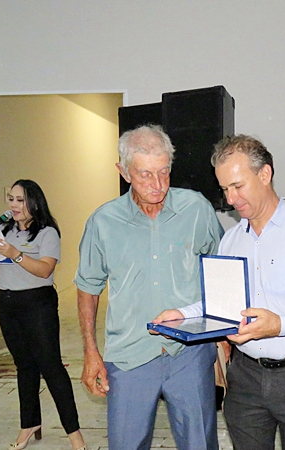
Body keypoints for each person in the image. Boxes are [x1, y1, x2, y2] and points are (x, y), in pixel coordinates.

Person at [153, 135, 285, 450]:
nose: (231, 199)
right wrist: (183, 314)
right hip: (244, 376)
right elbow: (222, 303)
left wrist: (281, 324)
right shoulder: (231, 240)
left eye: (237, 186)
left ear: (265, 174)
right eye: (224, 189)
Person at [74, 125, 223, 450]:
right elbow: (88, 288)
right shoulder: (103, 222)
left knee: (200, 443)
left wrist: (222, 339)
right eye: (145, 174)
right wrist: (90, 352)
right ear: (123, 171)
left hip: (189, 354)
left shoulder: (196, 209)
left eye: (164, 172)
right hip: (129, 357)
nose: (157, 184)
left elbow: (221, 272)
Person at [0, 179, 87, 450]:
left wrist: (14, 254)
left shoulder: (47, 232)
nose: (13, 205)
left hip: (38, 305)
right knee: (24, 366)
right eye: (11, 199)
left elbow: (44, 270)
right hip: (8, 303)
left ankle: (74, 434)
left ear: (34, 203)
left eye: (20, 200)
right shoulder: (4, 230)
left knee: (51, 367)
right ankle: (29, 424)